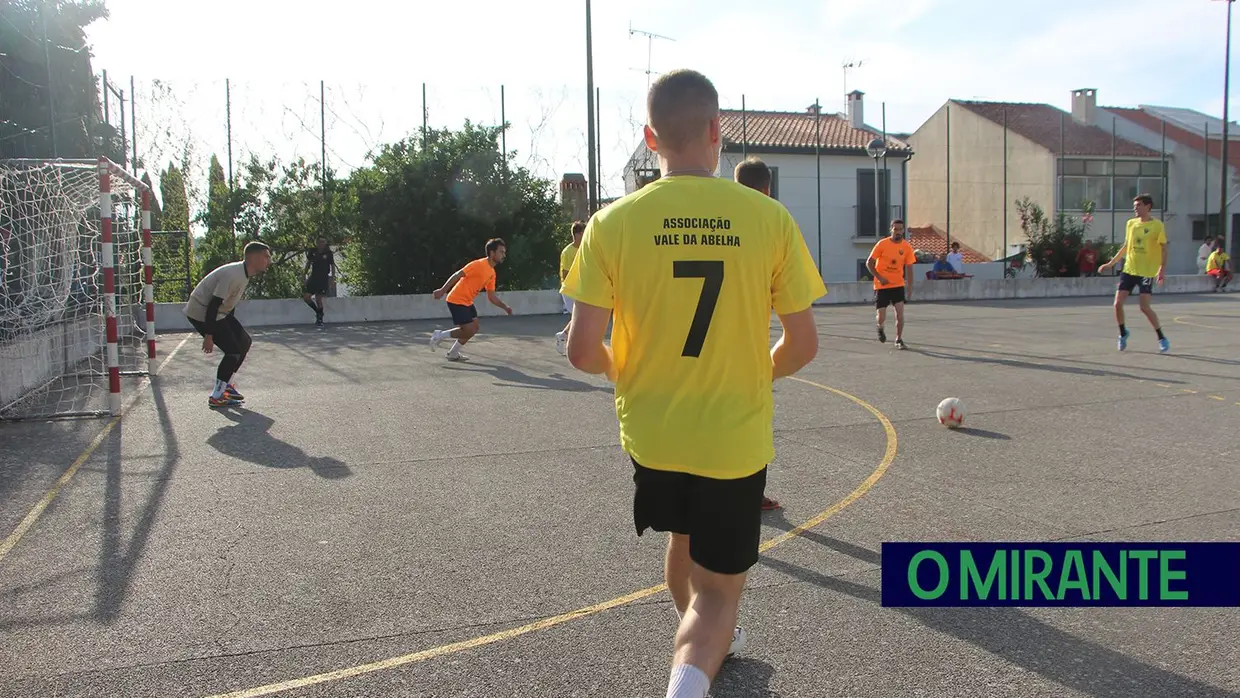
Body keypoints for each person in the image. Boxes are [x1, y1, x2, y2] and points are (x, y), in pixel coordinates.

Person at [561, 68, 825, 698]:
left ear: (651, 138)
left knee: (684, 540)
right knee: (716, 598)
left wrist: (618, 367)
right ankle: (696, 660)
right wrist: (753, 374)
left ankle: (702, 646)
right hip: (730, 437)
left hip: (653, 434)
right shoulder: (767, 218)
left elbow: (580, 351)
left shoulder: (610, 223)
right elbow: (804, 344)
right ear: (716, 131)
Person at [732, 155, 796, 513]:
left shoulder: (717, 215)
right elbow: (802, 338)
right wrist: (771, 365)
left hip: (698, 350)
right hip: (748, 351)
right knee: (752, 427)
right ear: (768, 188)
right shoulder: (772, 221)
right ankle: (751, 495)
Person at [183, 241, 273, 408]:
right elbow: (213, 304)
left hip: (218, 313)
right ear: (253, 257)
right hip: (201, 313)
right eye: (266, 256)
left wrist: (231, 327)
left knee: (244, 342)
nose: (269, 260)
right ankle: (217, 396)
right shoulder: (234, 274)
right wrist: (208, 335)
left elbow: (227, 304)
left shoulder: (244, 273)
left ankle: (227, 386)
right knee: (232, 351)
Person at [1098, 194, 1169, 353]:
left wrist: (1162, 269)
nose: (1135, 208)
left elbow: (1164, 248)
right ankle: (1123, 333)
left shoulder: (1157, 225)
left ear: (1148, 206)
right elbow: (1125, 246)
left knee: (1144, 307)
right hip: (1129, 269)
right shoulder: (1131, 224)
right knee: (1117, 304)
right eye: (1134, 205)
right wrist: (1111, 263)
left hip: (1146, 271)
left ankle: (1161, 337)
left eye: (1138, 205)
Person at [429, 238, 513, 361]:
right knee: (468, 330)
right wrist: (443, 290)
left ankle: (453, 353)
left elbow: (491, 296)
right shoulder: (478, 265)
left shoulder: (492, 273)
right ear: (492, 253)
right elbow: (458, 274)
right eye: (501, 252)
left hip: (467, 301)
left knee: (474, 328)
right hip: (456, 299)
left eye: (504, 252)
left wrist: (505, 307)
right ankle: (439, 335)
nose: (504, 255)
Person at [866, 219, 916, 349]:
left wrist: (909, 288)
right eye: (895, 229)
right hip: (881, 285)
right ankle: (880, 327)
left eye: (900, 229)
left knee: (899, 314)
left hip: (898, 285)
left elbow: (909, 268)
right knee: (881, 315)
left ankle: (899, 339)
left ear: (903, 230)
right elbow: (869, 263)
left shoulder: (906, 247)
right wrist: (880, 277)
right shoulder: (882, 244)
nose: (898, 232)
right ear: (891, 230)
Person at [554, 221, 586, 356]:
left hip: (581, 289)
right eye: (584, 232)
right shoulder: (568, 252)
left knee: (581, 317)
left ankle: (562, 336)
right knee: (580, 318)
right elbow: (565, 274)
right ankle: (569, 341)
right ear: (577, 234)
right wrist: (574, 288)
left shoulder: (585, 249)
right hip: (569, 290)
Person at [302, 236, 336, 326]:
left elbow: (332, 265)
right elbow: (308, 263)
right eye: (320, 242)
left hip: (323, 278)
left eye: (323, 242)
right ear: (317, 243)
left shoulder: (328, 253)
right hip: (314, 277)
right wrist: (304, 274)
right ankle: (318, 311)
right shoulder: (313, 251)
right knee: (306, 297)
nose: (322, 244)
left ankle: (320, 319)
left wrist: (333, 277)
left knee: (318, 299)